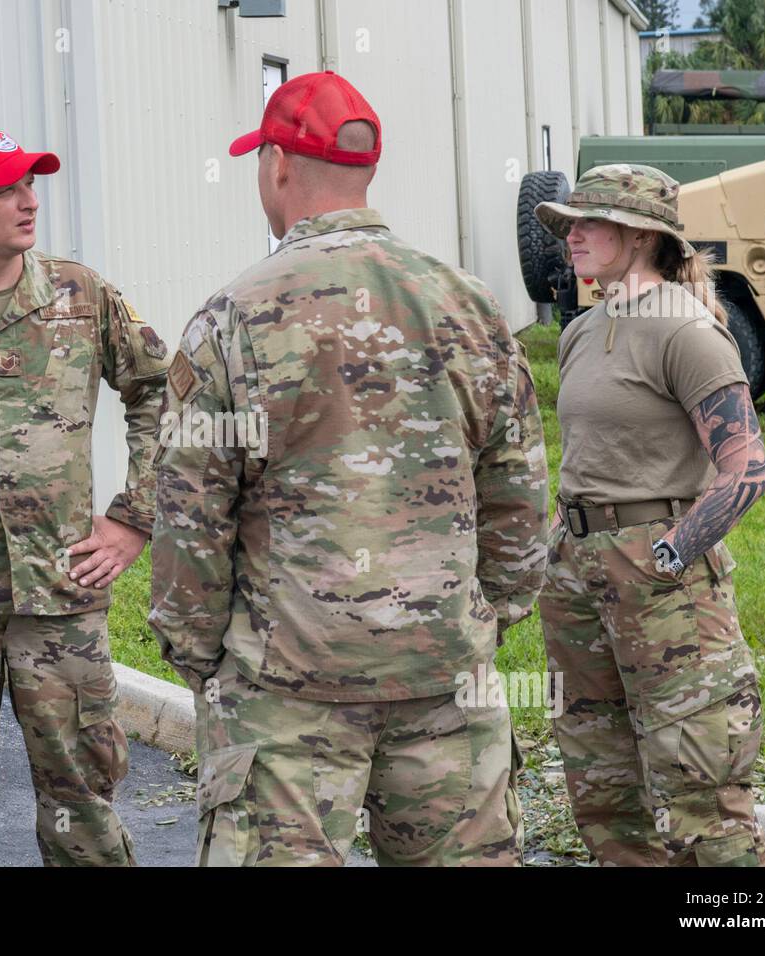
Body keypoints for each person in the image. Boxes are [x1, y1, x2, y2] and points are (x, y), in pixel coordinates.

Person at [148, 71, 548, 866]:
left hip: (286, 701)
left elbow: (192, 515)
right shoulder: (467, 304)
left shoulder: (235, 317)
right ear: (367, 169)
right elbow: (519, 493)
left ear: (276, 165)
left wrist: (202, 658)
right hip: (445, 687)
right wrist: (483, 620)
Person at [0, 126, 170, 866]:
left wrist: (133, 518)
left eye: (31, 183)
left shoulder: (82, 295)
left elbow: (163, 393)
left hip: (62, 594)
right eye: (6, 188)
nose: (28, 199)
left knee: (86, 809)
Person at [534, 163, 765, 866]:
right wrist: (558, 545)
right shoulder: (583, 329)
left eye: (587, 223)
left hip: (662, 583)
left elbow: (746, 470)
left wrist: (670, 553)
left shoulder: (686, 330)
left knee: (700, 784)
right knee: (601, 784)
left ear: (640, 236)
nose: (569, 236)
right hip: (576, 579)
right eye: (568, 223)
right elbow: (586, 458)